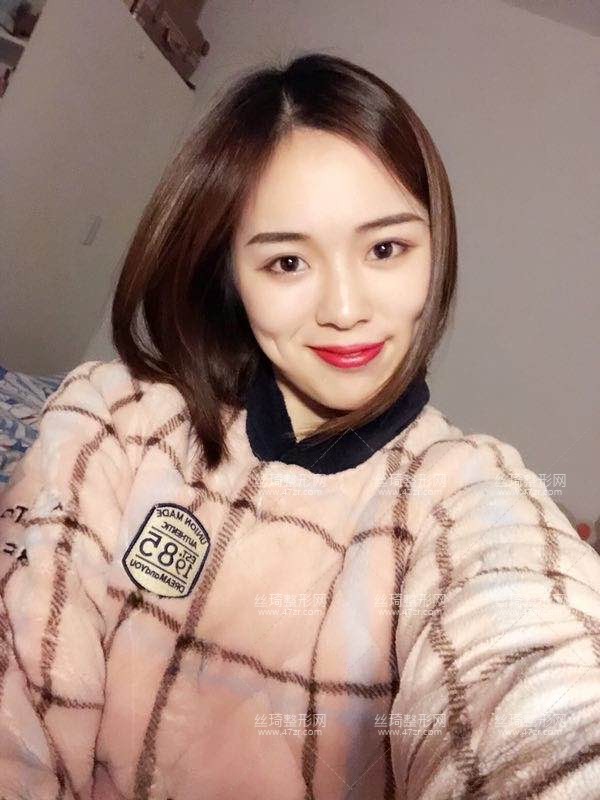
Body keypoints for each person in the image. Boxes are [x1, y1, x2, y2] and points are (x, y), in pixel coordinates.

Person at [1, 51, 599, 800]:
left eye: (386, 249)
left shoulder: (467, 490)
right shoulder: (115, 416)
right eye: (287, 262)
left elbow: (535, 682)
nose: (345, 309)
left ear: (434, 249)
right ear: (230, 274)